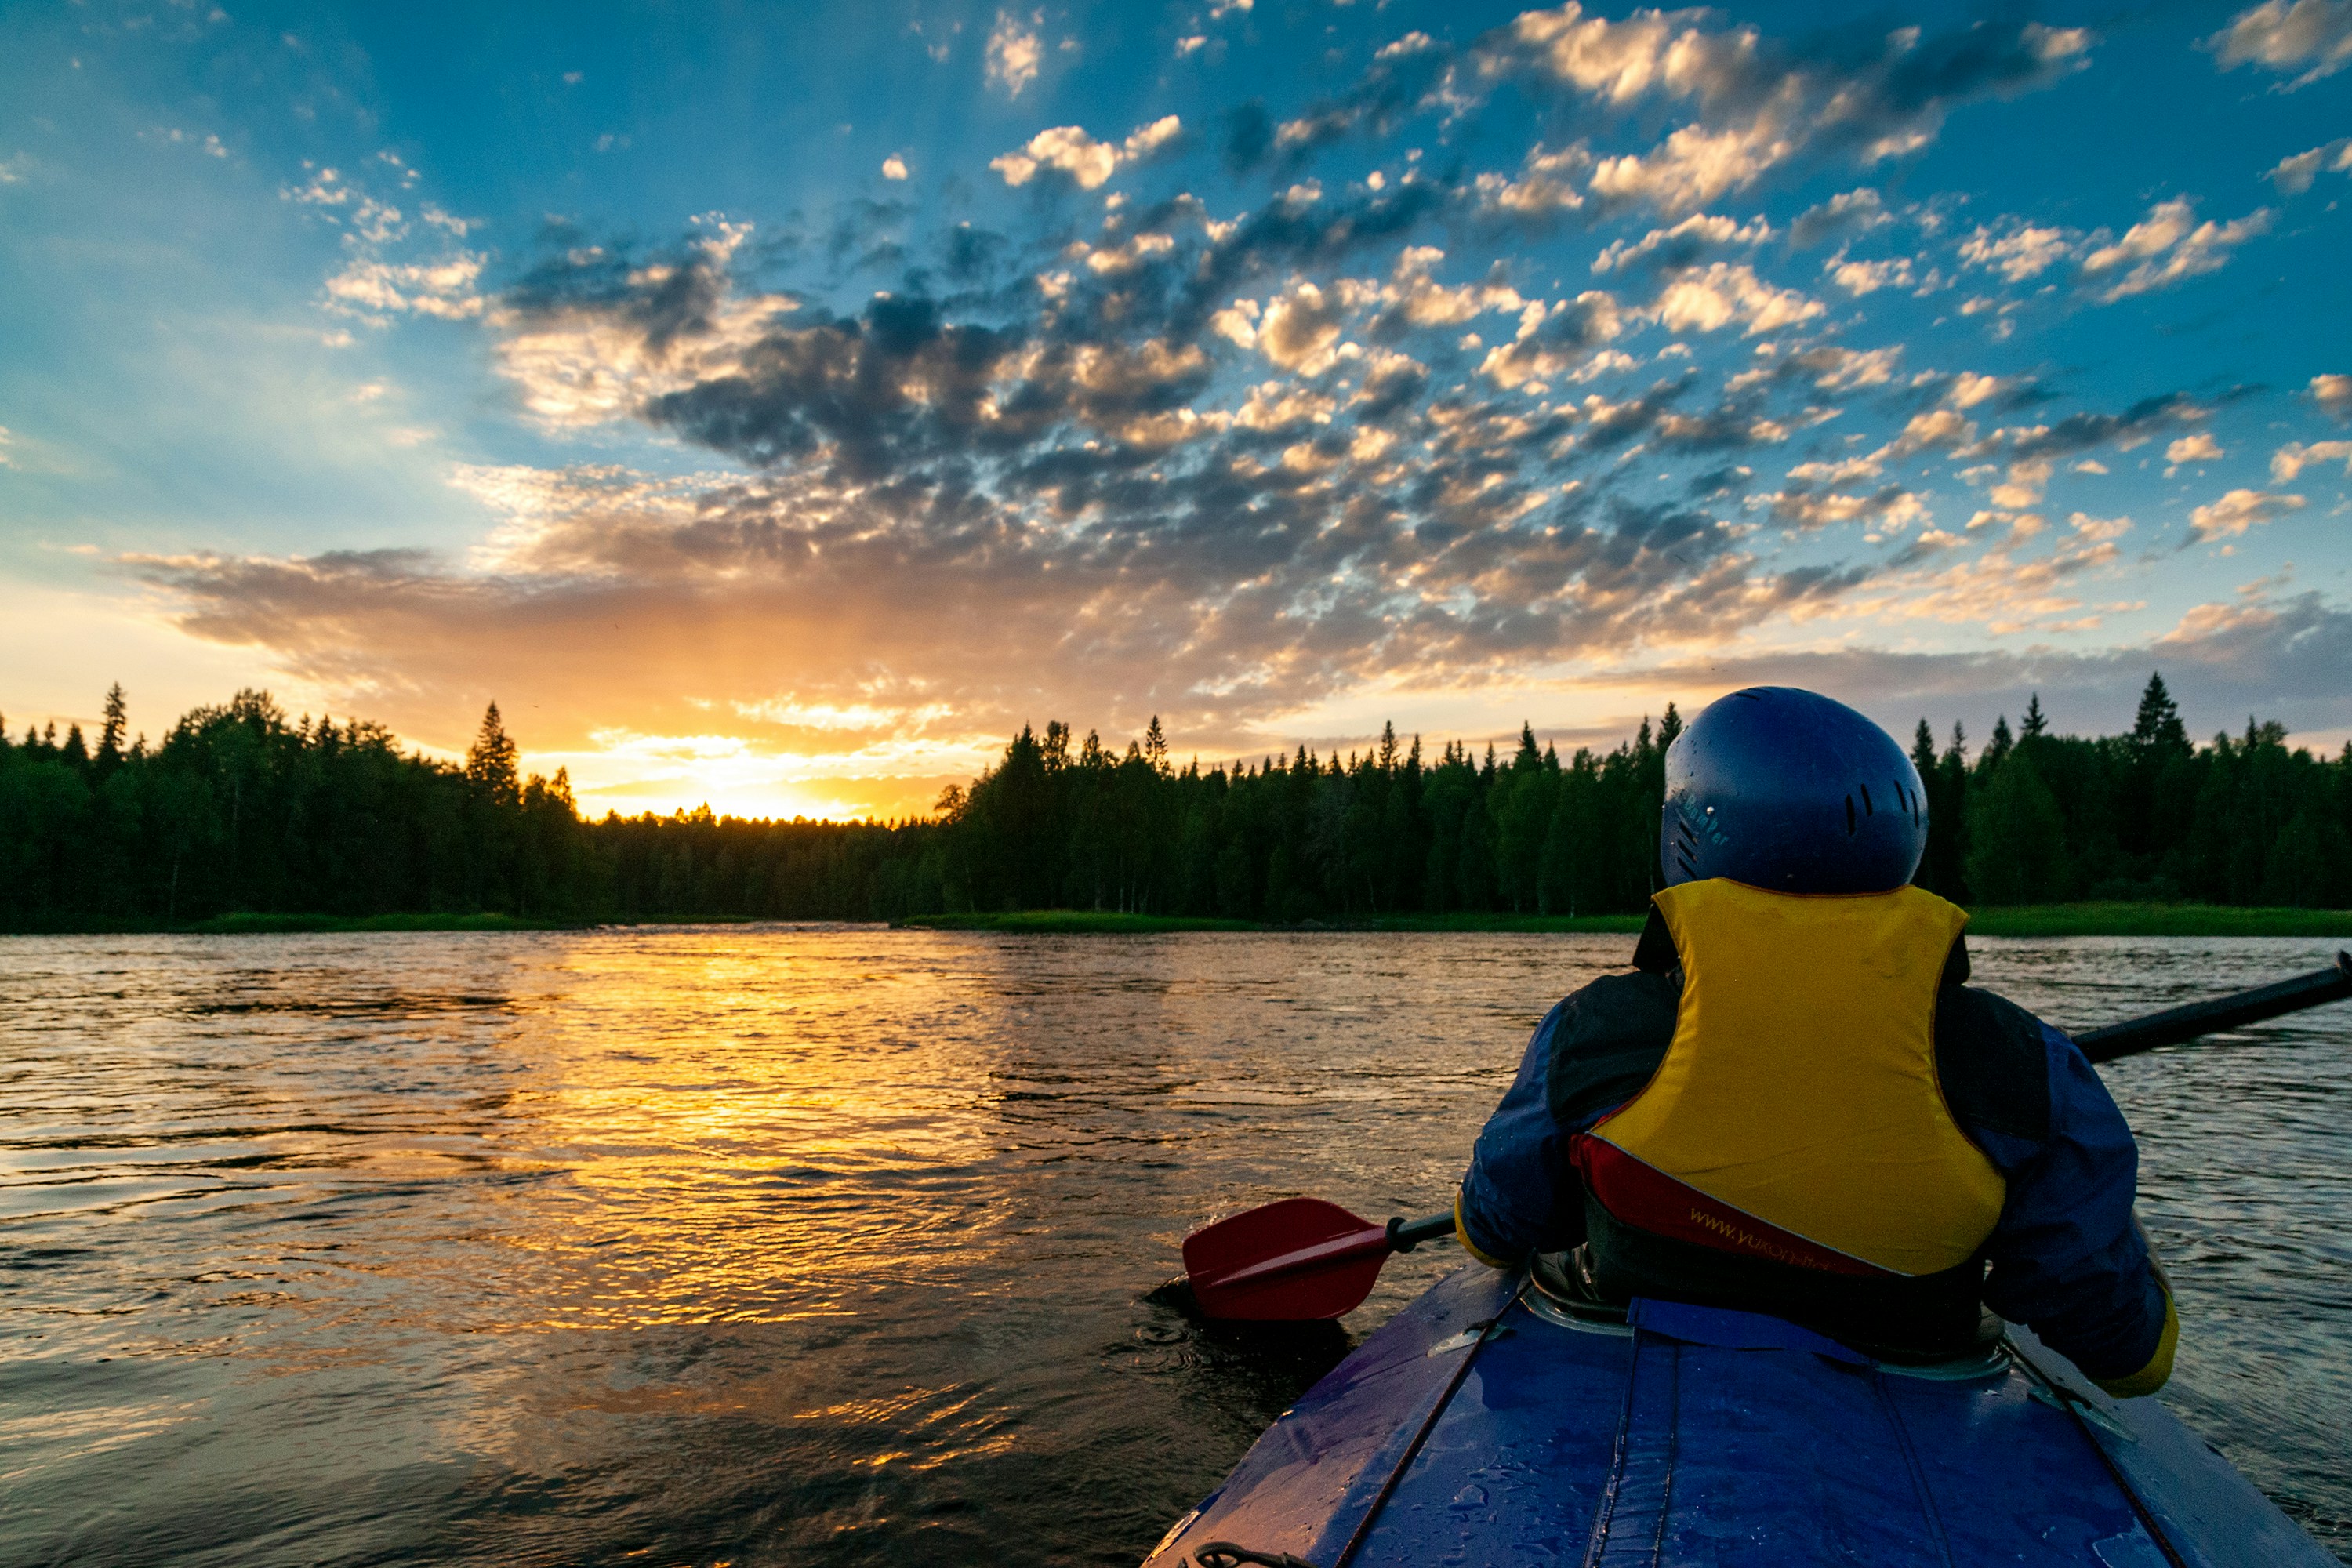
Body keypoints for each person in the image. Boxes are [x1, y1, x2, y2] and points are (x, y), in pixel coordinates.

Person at [1453, 686, 2176, 1397]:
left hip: (1636, 1356)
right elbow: (2129, 1356)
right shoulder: (2023, 1062)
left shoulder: (1593, 1032)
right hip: (1920, 1389)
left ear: (1684, 838)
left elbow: (1493, 1228)